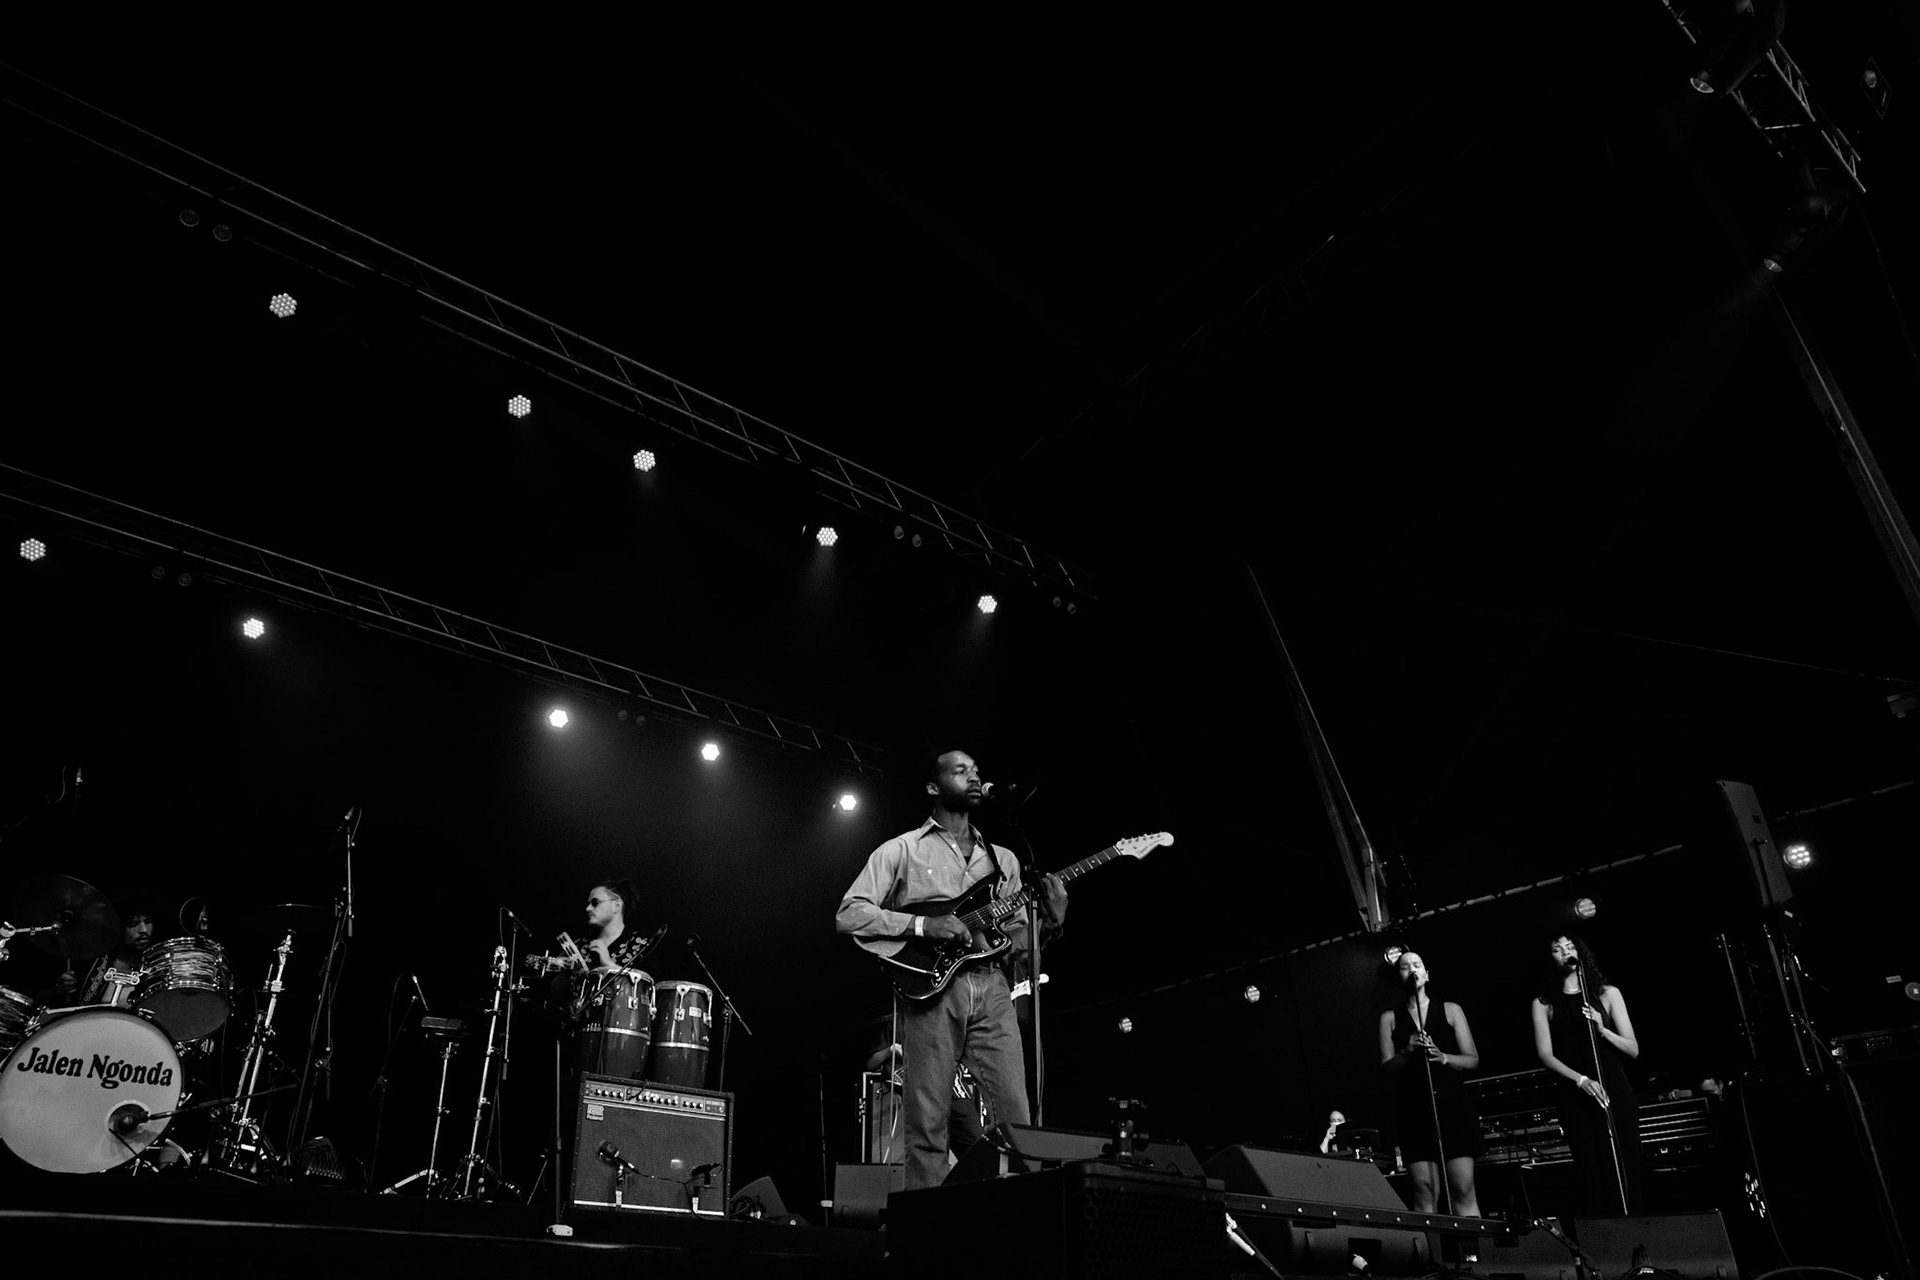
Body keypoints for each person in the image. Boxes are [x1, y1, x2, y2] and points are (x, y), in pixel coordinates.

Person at [836, 748, 1067, 1190]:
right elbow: (849, 913)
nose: (974, 777)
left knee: (1015, 1114)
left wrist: (1051, 923)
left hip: (994, 987)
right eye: (961, 771)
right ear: (933, 787)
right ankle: (926, 1231)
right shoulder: (901, 849)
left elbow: (1020, 951)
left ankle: (1021, 1212)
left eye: (977, 770)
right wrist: (925, 924)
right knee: (929, 1119)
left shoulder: (1005, 861)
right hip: (934, 989)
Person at [1531, 933, 1642, 1214]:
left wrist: (1602, 1030)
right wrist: (1581, 1080)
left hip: (1614, 1087)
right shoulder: (1544, 1003)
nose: (1565, 951)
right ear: (1551, 958)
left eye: (1570, 947)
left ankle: (1636, 1234)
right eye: (1557, 949)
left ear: (1580, 954)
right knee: (1590, 1167)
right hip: (1575, 1093)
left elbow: (1632, 1049)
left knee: (1626, 1162)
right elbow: (1545, 1055)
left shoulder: (1608, 993)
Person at [1379, 949, 1482, 1215]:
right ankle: (1431, 1255)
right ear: (1399, 977)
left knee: (1462, 1188)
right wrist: (1406, 1050)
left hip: (1451, 1105)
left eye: (1417, 964)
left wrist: (1444, 1057)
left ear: (1427, 973)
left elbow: (1472, 1060)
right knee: (1424, 1190)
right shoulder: (1389, 1018)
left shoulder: (1450, 1010)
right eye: (1404, 966)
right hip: (1414, 1110)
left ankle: (1475, 1255)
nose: (1411, 969)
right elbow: (1386, 1069)